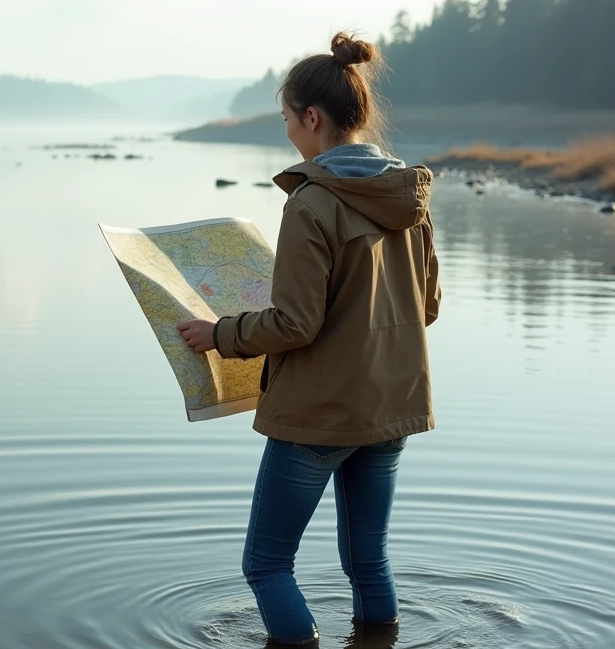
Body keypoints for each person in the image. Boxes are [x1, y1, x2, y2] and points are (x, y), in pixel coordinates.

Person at [176, 32, 441, 646]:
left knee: (267, 565)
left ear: (313, 118)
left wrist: (220, 332)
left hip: (318, 417)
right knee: (368, 559)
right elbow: (425, 307)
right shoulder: (409, 198)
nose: (289, 131)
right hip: (390, 408)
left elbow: (295, 324)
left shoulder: (312, 203)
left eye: (288, 119)